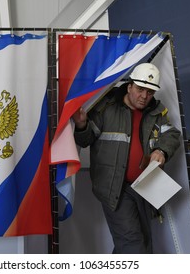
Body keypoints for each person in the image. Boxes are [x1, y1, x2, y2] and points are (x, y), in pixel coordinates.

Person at [72, 63, 181, 254]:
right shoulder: (106, 107)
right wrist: (81, 125)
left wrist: (161, 150)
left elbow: (171, 134)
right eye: (140, 89)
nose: (144, 96)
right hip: (115, 188)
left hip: (144, 186)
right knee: (132, 243)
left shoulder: (156, 111)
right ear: (129, 86)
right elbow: (87, 139)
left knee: (142, 245)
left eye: (150, 92)